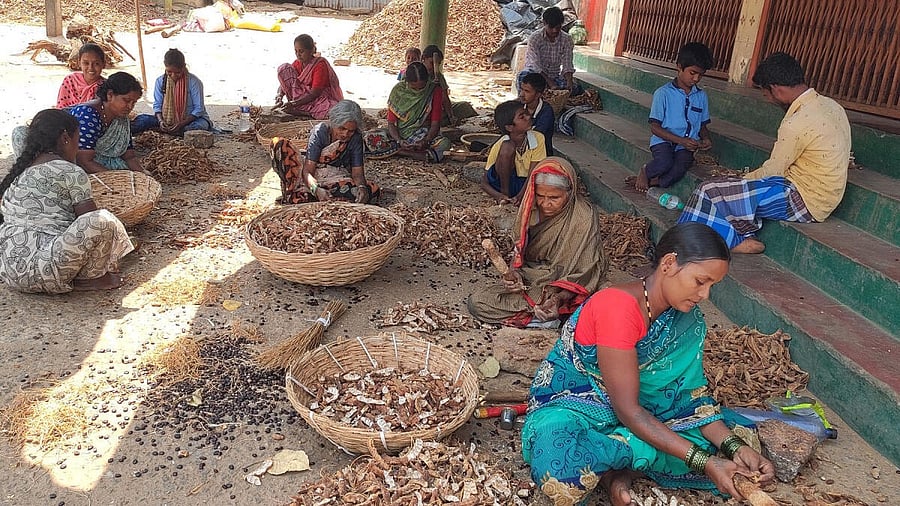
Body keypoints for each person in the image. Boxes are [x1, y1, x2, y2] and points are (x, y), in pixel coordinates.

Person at [522, 222, 775, 506]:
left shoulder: (686, 321)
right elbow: (629, 410)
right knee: (562, 472)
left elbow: (690, 400)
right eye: (700, 281)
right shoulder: (617, 308)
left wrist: (735, 447)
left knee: (741, 439)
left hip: (646, 414)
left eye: (712, 286)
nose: (705, 295)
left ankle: (620, 469)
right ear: (669, 264)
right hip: (579, 407)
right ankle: (627, 462)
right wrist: (705, 462)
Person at [677, 52, 851, 254]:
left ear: (776, 89)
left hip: (803, 200)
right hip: (825, 197)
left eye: (765, 94)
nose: (767, 100)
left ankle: (691, 245)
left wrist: (742, 179)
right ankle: (738, 236)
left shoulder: (796, 123)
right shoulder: (832, 106)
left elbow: (773, 171)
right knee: (723, 190)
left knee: (708, 190)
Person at [0, 109, 134, 293]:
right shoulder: (72, 172)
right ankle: (90, 278)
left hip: (9, 272)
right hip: (45, 271)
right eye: (77, 141)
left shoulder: (20, 173)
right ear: (65, 138)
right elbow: (89, 219)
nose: (77, 149)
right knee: (103, 220)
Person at [468, 157, 607, 328]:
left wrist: (558, 298)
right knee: (478, 303)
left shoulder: (584, 217)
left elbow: (585, 269)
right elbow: (519, 251)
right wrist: (514, 274)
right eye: (541, 196)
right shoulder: (530, 208)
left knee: (604, 302)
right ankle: (545, 318)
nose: (545, 204)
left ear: (570, 193)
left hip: (568, 285)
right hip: (533, 277)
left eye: (554, 197)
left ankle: (550, 313)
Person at [636, 42, 714, 192]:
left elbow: (702, 125)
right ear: (679, 67)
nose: (696, 78)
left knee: (682, 165)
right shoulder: (663, 93)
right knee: (665, 162)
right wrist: (681, 141)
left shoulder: (701, 96)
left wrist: (706, 139)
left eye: (701, 75)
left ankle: (654, 181)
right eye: (692, 73)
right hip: (663, 141)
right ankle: (645, 171)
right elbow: (655, 128)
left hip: (686, 145)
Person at [271, 99, 378, 204]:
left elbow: (357, 173)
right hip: (308, 175)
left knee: (370, 190)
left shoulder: (355, 138)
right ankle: (306, 193)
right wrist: (316, 190)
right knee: (280, 145)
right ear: (334, 122)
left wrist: (362, 188)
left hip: (335, 177)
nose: (345, 134)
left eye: (350, 131)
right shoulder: (320, 132)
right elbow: (308, 171)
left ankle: (315, 197)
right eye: (342, 128)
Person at [363, 62, 450, 162]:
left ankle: (399, 152)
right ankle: (411, 153)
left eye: (421, 87)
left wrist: (425, 141)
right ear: (407, 82)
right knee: (370, 137)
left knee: (444, 143)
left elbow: (435, 124)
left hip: (423, 134)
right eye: (414, 88)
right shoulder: (398, 91)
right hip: (399, 135)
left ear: (427, 81)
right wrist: (399, 140)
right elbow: (391, 124)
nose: (418, 91)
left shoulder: (434, 90)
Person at [68, 72, 145, 173]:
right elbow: (83, 161)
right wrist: (115, 178)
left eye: (134, 102)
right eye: (126, 100)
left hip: (102, 164)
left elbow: (129, 156)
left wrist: (143, 173)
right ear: (110, 95)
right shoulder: (87, 114)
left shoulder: (122, 119)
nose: (130, 107)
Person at [131, 48, 214, 135]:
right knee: (143, 120)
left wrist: (181, 123)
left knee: (198, 126)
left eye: (177, 72)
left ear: (183, 67)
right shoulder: (160, 81)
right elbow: (157, 105)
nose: (173, 76)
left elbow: (199, 109)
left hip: (191, 120)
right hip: (166, 119)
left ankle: (171, 130)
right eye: (169, 72)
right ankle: (172, 130)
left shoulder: (194, 82)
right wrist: (161, 121)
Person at [480, 100, 547, 203]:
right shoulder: (500, 144)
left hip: (526, 184)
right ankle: (506, 193)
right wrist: (499, 196)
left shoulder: (538, 138)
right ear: (510, 127)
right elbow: (484, 182)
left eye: (526, 113)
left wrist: (521, 195)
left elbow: (533, 173)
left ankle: (517, 196)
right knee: (508, 146)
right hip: (502, 184)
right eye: (522, 117)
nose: (528, 117)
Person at [274, 34, 344, 120]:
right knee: (284, 68)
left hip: (316, 99)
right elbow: (285, 82)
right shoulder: (297, 63)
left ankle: (301, 109)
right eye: (296, 51)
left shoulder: (319, 65)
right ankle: (300, 108)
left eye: (301, 51)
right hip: (299, 98)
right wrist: (279, 95)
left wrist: (294, 103)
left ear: (311, 51)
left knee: (334, 111)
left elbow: (315, 93)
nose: (298, 54)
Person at [518, 7, 578, 94]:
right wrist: (550, 83)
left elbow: (567, 64)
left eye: (558, 27)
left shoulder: (567, 40)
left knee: (575, 88)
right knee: (524, 76)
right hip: (536, 76)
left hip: (555, 76)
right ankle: (523, 100)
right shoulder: (535, 38)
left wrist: (569, 82)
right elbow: (535, 65)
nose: (554, 31)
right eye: (551, 27)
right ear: (544, 23)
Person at [56, 43, 106, 109]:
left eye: (96, 64)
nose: (90, 68)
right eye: (86, 63)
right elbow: (61, 108)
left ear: (103, 64)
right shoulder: (70, 81)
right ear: (79, 63)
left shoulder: (106, 86)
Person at [519, 72, 555, 155]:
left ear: (538, 94)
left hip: (541, 155)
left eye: (527, 91)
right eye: (522, 89)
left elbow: (536, 135)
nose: (521, 94)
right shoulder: (517, 106)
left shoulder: (546, 111)